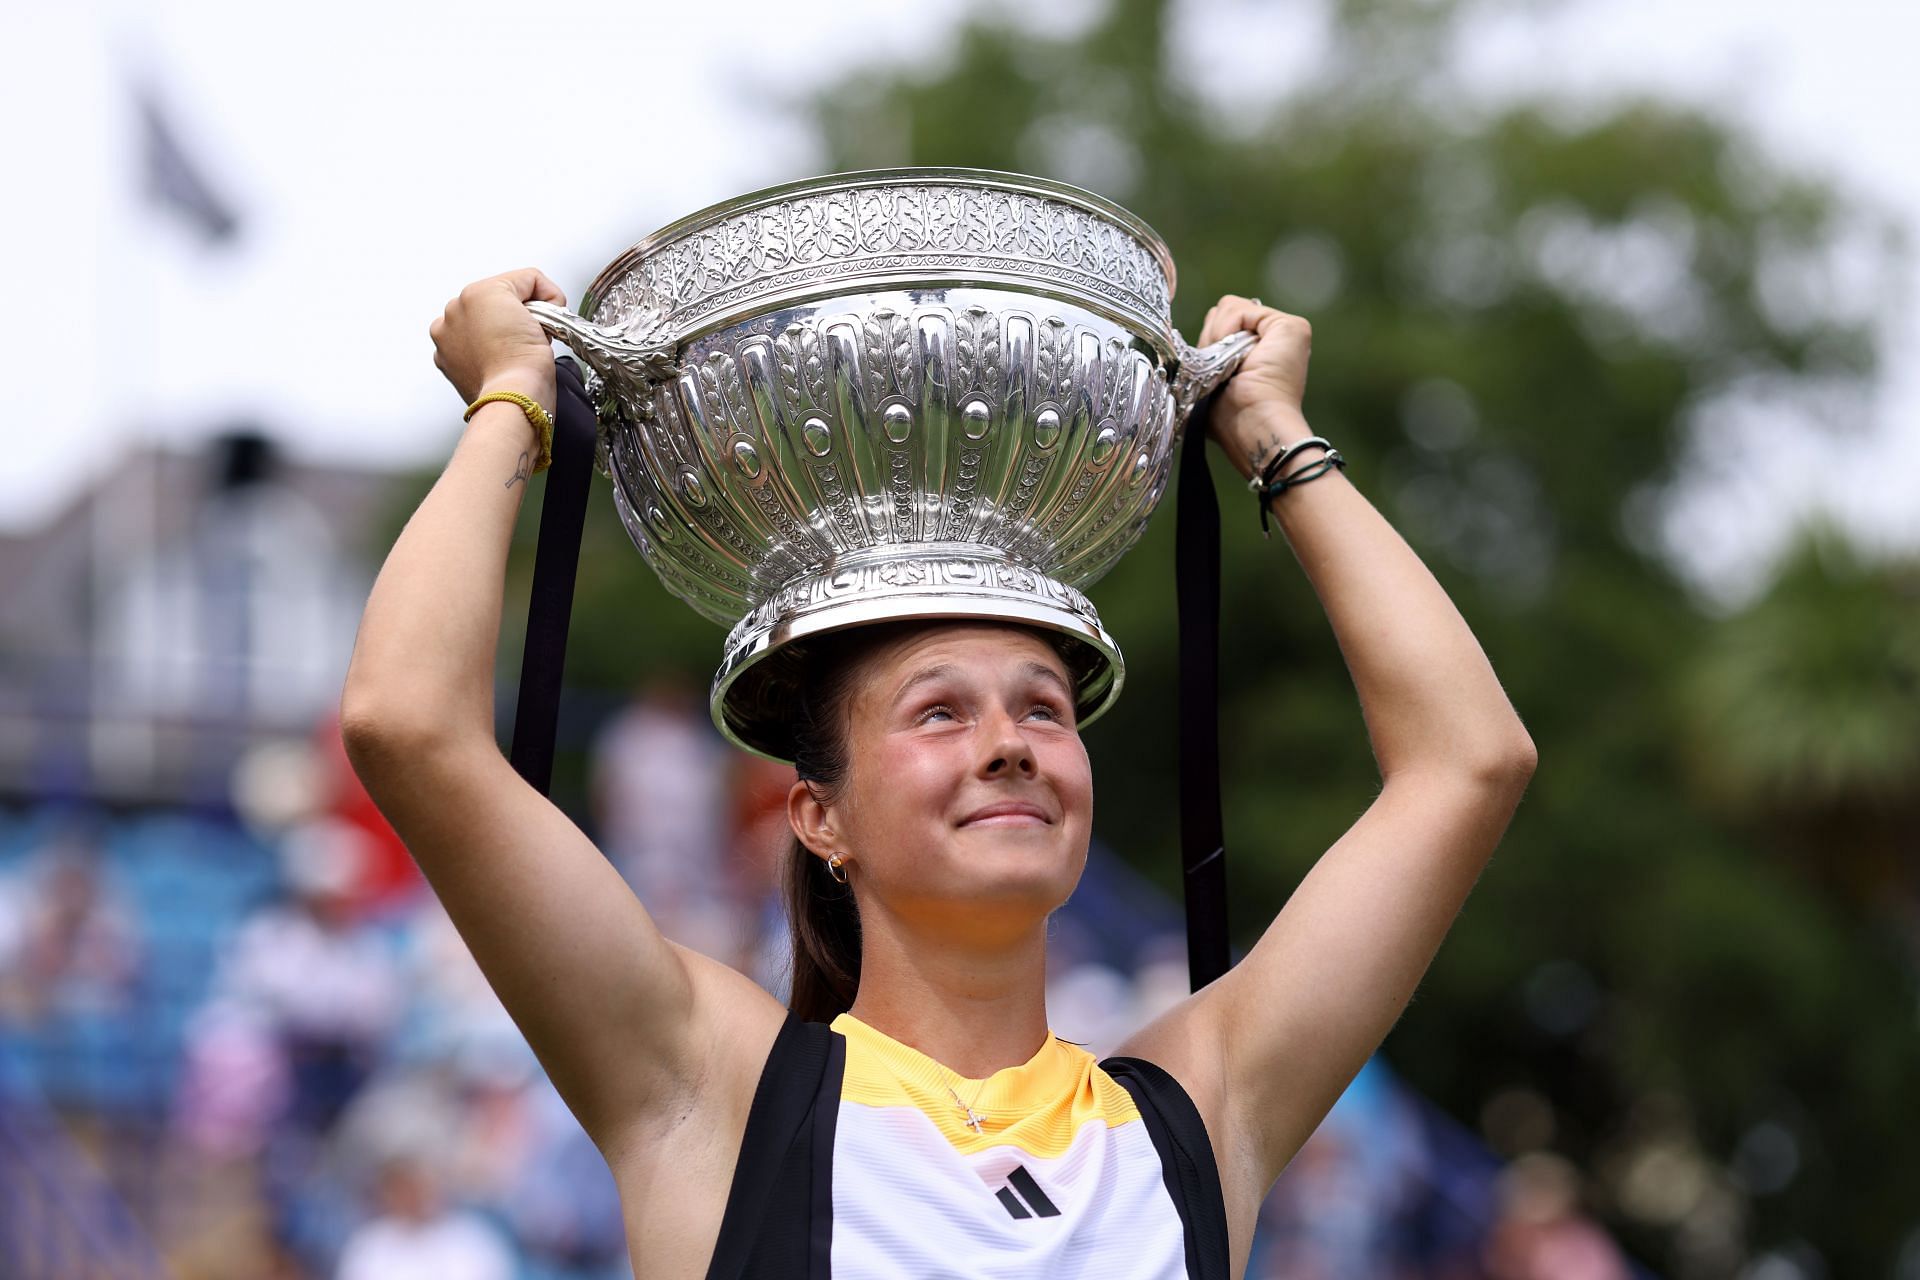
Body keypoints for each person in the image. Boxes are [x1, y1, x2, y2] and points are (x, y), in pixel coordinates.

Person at [340, 268, 1536, 1278]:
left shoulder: (1196, 1109)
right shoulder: (717, 1090)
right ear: (819, 813)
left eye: (1043, 707)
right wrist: (511, 400)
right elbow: (408, 722)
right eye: (938, 713)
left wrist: (1274, 437)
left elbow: (1468, 761)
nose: (1007, 742)